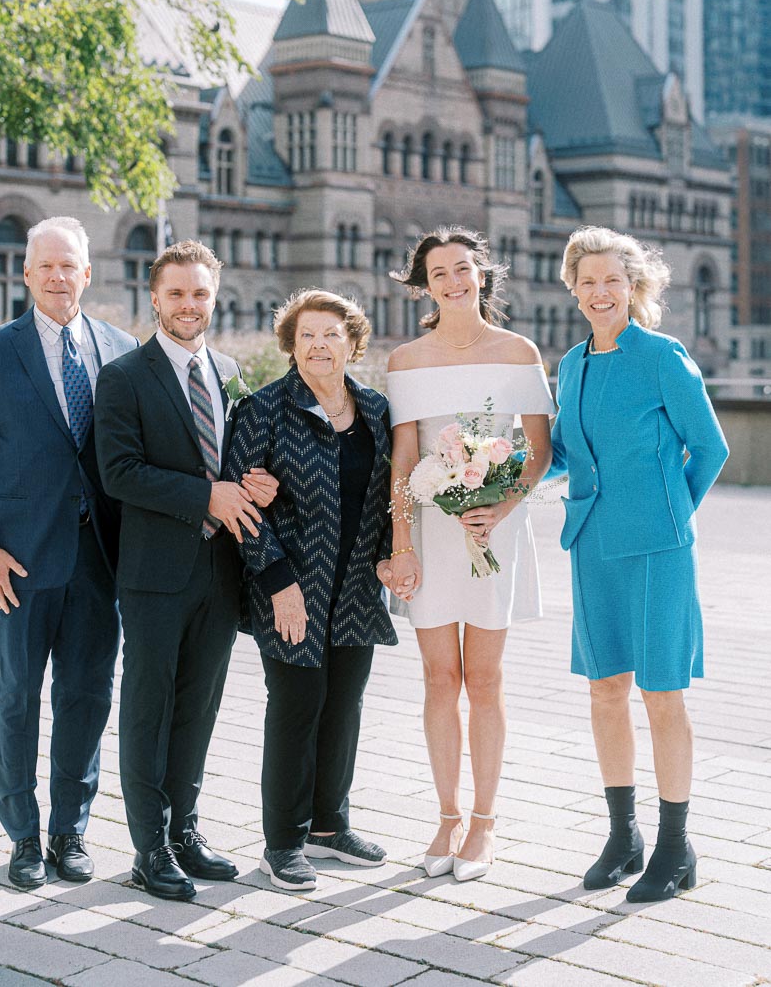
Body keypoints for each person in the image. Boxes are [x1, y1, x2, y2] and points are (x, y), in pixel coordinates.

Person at [0, 216, 137, 890]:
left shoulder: (121, 350)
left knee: (87, 695)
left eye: (70, 265)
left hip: (100, 559)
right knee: (16, 696)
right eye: (45, 265)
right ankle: (23, 837)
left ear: (89, 273)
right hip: (18, 564)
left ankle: (69, 830)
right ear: (27, 275)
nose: (59, 276)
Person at [93, 239, 276, 901]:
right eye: (176, 293)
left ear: (214, 295)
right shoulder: (122, 377)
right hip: (154, 574)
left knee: (199, 706)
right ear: (154, 297)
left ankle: (186, 830)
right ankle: (149, 848)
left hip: (221, 572)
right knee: (148, 707)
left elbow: (235, 460)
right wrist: (207, 496)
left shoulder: (228, 369)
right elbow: (119, 473)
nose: (189, 305)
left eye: (200, 293)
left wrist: (252, 483)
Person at [550, 226, 728, 902]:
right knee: (603, 691)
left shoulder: (661, 355)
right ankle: (623, 838)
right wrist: (500, 470)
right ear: (573, 288)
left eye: (612, 281)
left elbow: (709, 448)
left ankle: (676, 847)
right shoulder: (571, 365)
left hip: (657, 548)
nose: (600, 292)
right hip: (591, 545)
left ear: (634, 287)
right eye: (587, 281)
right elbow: (566, 453)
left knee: (661, 695)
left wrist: (672, 516)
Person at [384, 228, 553, 882]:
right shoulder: (406, 360)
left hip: (495, 530)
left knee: (483, 680)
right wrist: (401, 543)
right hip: (427, 531)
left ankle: (484, 824)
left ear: (482, 275)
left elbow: (536, 452)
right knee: (437, 680)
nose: (453, 281)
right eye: (439, 273)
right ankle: (447, 816)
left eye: (463, 269)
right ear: (423, 284)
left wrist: (501, 505)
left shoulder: (518, 353)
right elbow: (404, 459)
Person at [224, 289, 397, 891]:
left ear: (353, 341)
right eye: (306, 336)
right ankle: (283, 842)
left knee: (343, 706)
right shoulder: (264, 410)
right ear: (290, 346)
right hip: (290, 587)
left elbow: (388, 498)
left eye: (331, 334)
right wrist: (278, 584)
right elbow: (242, 506)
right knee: (297, 708)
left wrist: (391, 558)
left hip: (354, 589)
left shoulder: (376, 411)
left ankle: (330, 826)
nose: (319, 346)